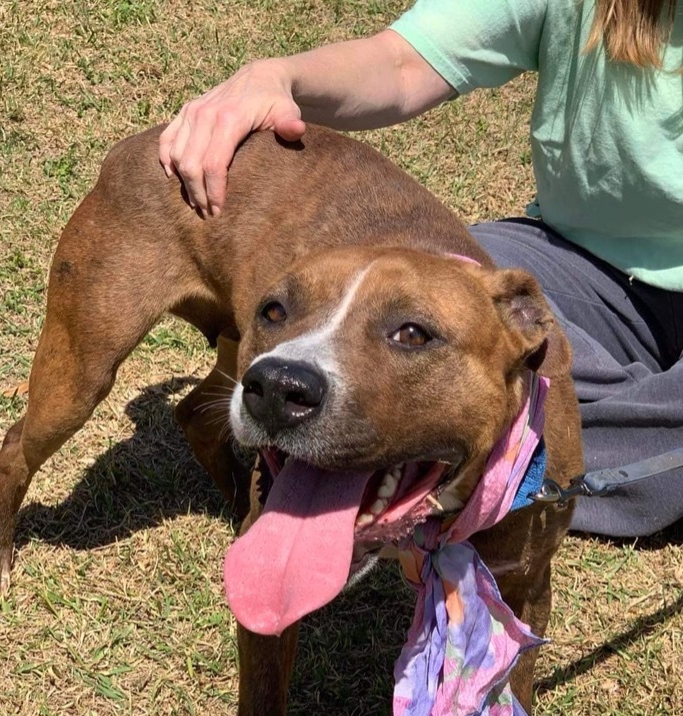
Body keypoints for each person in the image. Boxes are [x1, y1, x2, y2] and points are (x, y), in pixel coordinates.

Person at [158, 0, 683, 539]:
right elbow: (403, 62)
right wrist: (275, 77)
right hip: (583, 261)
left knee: (518, 414)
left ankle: (545, 460)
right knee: (439, 291)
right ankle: (549, 452)